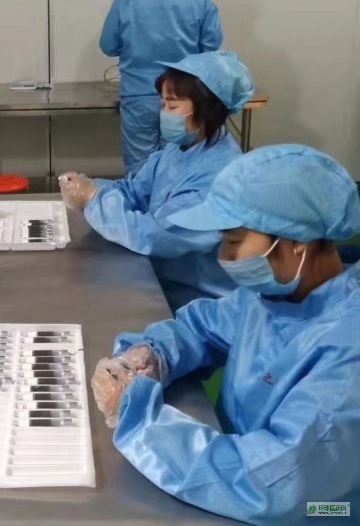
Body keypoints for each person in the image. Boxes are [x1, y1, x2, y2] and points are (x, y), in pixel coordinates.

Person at [92, 145, 360, 525]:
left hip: (323, 510)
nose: (224, 256)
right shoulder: (274, 296)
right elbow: (202, 327)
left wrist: (140, 419)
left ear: (296, 241)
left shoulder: (347, 351)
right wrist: (153, 354)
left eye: (234, 241)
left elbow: (275, 487)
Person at [61, 51, 255, 311]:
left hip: (199, 304)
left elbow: (156, 235)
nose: (164, 113)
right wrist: (91, 188)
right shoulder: (179, 149)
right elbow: (136, 191)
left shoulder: (220, 175)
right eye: (163, 104)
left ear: (208, 108)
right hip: (162, 282)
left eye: (172, 106)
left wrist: (94, 200)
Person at [100, 0, 224, 174]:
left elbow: (108, 46)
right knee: (177, 163)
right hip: (182, 95)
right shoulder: (201, 3)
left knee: (140, 168)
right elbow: (210, 48)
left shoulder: (124, 3)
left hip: (138, 93)